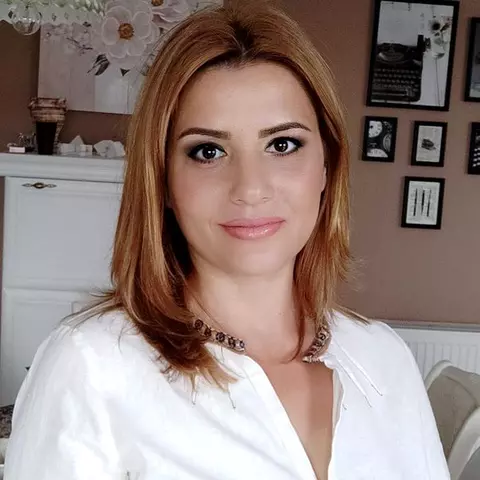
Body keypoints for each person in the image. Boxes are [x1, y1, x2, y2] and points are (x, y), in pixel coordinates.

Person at [5, 1, 449, 479]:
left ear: (327, 166)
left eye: (282, 145)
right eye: (208, 151)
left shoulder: (385, 360)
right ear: (163, 181)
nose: (250, 188)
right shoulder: (91, 366)